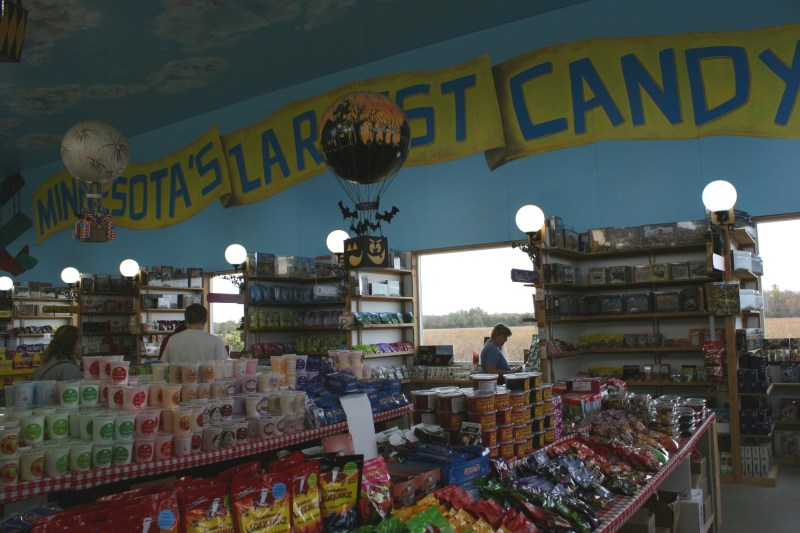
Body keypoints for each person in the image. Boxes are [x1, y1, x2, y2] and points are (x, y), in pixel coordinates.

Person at [161, 304, 228, 363]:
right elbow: (224, 367)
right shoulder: (215, 341)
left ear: (186, 320)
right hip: (207, 377)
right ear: (205, 321)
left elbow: (164, 365)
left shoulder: (173, 339)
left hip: (177, 377)